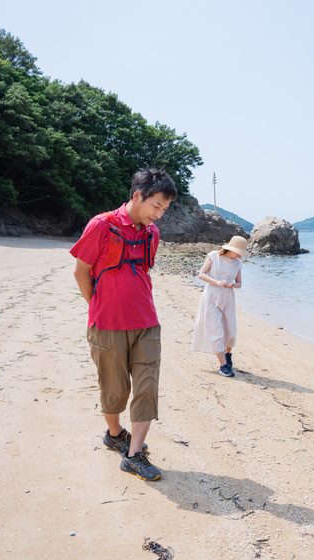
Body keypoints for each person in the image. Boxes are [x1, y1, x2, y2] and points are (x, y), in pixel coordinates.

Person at [70, 168, 177, 482]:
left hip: (147, 323)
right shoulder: (101, 226)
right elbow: (81, 272)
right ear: (137, 196)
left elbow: (142, 274)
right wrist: (98, 307)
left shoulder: (152, 234)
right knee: (114, 391)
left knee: (147, 389)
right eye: (156, 206)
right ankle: (115, 434)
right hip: (107, 326)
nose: (158, 215)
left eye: (164, 210)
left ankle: (134, 455)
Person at [192, 236, 249, 377]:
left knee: (231, 332)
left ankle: (228, 354)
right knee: (216, 330)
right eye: (238, 251)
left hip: (228, 298)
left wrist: (232, 285)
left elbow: (240, 284)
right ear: (230, 248)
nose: (239, 255)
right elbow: (201, 274)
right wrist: (217, 282)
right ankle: (223, 366)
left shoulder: (237, 263)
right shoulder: (213, 256)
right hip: (212, 296)